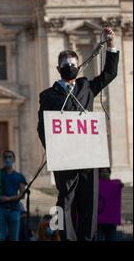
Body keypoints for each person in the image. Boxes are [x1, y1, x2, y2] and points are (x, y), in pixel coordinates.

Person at [37, 27, 119, 241]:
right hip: (64, 158)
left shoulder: (87, 87)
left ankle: (87, 238)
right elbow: (41, 127)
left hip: (88, 156)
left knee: (89, 200)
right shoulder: (47, 96)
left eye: (74, 64)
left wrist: (110, 45)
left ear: (79, 66)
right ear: (58, 68)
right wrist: (52, 148)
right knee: (65, 200)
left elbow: (110, 73)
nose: (71, 67)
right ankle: (66, 238)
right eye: (66, 65)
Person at [0, 150, 27, 241]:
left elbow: (22, 194)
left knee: (14, 238)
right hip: (0, 210)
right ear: (2, 159)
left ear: (14, 160)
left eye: (10, 157)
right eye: (5, 157)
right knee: (0, 237)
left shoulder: (20, 176)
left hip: (14, 210)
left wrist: (8, 199)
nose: (7, 159)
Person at [97, 167, 124, 241]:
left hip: (111, 222)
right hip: (98, 222)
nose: (105, 173)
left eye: (106, 172)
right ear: (99, 174)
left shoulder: (115, 184)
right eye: (102, 172)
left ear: (109, 174)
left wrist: (119, 185)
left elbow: (119, 184)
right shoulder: (95, 186)